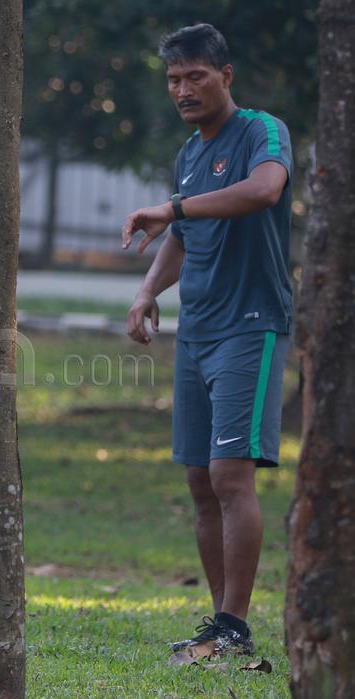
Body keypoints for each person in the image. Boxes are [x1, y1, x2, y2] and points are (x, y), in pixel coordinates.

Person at [122, 23, 292, 657]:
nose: (184, 89)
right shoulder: (191, 153)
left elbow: (263, 190)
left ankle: (235, 625)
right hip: (196, 332)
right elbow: (181, 238)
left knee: (229, 475)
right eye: (173, 79)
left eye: (196, 76)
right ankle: (219, 626)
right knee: (198, 479)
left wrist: (174, 208)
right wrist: (146, 294)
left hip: (250, 326)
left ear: (226, 75)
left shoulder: (261, 132)